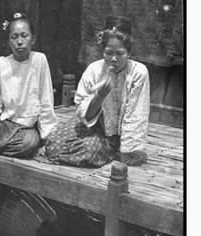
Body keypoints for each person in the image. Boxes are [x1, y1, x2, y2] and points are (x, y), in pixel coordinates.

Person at [45, 16, 150, 167]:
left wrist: (127, 150)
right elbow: (83, 114)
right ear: (102, 51)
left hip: (118, 135)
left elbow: (136, 114)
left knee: (89, 150)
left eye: (120, 53)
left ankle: (108, 151)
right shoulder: (94, 70)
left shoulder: (138, 72)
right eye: (108, 53)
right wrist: (98, 97)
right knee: (54, 142)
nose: (114, 58)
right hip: (91, 125)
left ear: (129, 53)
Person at [0, 12, 58, 158]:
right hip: (4, 125)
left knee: (29, 143)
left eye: (24, 36)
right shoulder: (0, 65)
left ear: (33, 39)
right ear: (8, 42)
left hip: (26, 128)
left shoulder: (39, 60)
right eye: (14, 37)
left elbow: (46, 101)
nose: (19, 41)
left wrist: (46, 137)